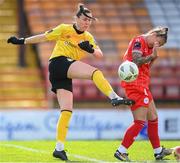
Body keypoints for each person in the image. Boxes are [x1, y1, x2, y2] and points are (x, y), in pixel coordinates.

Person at [7, 3, 134, 161]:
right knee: (95, 72)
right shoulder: (64, 28)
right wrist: (21, 41)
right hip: (58, 63)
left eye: (90, 21)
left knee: (66, 111)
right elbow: (43, 37)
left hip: (63, 73)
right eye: (85, 19)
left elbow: (100, 55)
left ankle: (59, 149)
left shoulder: (88, 37)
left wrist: (90, 50)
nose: (87, 23)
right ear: (77, 18)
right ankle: (114, 97)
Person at [114, 26, 172, 161]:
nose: (158, 45)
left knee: (153, 118)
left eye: (160, 45)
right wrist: (151, 56)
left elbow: (145, 66)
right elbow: (135, 61)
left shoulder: (150, 48)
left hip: (143, 84)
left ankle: (158, 151)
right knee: (139, 122)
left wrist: (154, 58)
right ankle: (121, 151)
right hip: (135, 84)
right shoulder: (139, 41)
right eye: (159, 42)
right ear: (154, 34)